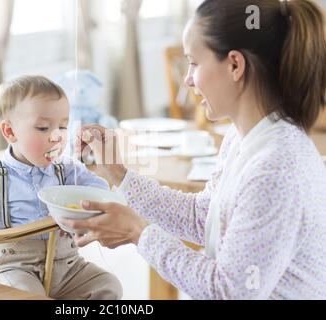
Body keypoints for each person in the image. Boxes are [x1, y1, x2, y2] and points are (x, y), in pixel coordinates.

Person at [62, 0, 326, 299]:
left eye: (194, 63)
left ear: (235, 65)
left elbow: (228, 291)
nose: (187, 78)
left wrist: (139, 232)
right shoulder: (244, 139)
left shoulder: (276, 167)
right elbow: (203, 218)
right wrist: (118, 173)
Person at [0, 75, 122, 299]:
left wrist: (91, 209)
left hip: (68, 265)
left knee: (108, 285)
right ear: (10, 132)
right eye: (43, 128)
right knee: (27, 296)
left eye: (63, 127)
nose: (56, 137)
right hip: (16, 268)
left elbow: (97, 190)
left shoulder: (68, 169)